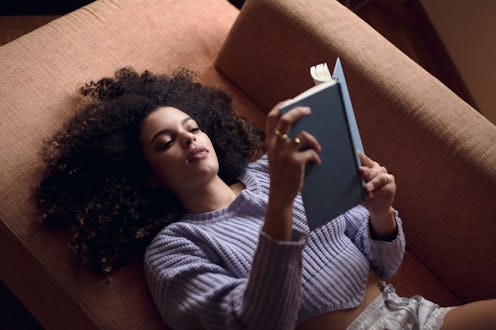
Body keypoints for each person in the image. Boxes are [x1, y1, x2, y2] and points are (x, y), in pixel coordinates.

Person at [36, 68, 496, 329]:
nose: (189, 140)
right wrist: (280, 203)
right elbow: (257, 323)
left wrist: (381, 214)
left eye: (192, 128)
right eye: (166, 143)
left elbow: (384, 263)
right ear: (149, 178)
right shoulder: (173, 249)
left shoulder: (266, 174)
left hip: (412, 314)